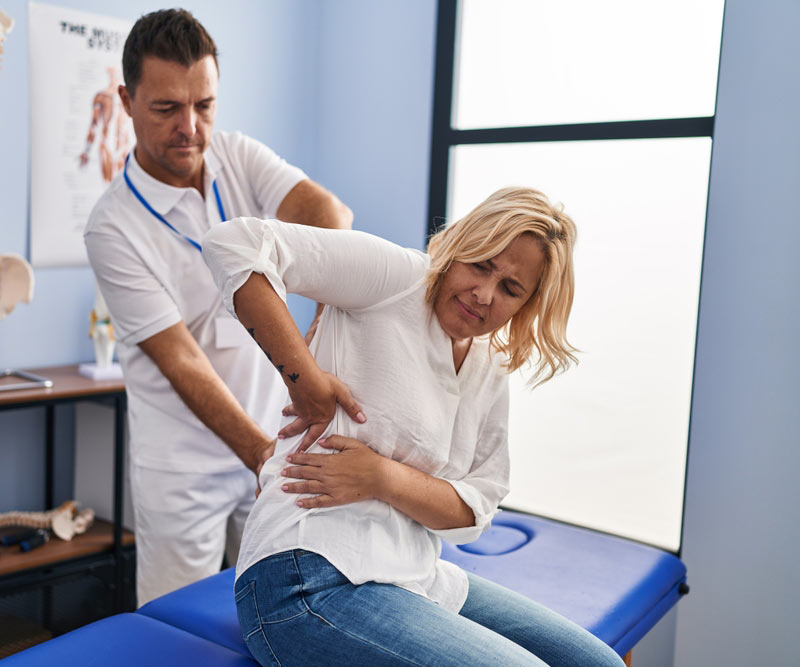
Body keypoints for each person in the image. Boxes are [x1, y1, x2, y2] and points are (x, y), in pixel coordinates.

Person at [202, 187, 625, 666]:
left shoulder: (487, 366)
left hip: (416, 575)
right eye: (481, 264)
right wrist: (304, 378)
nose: (484, 295)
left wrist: (382, 478)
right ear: (461, 244)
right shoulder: (397, 277)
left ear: (526, 305)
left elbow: (473, 511)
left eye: (510, 289)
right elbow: (234, 243)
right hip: (305, 576)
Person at [84, 8, 356, 606]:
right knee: (174, 629)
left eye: (204, 106)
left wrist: (313, 319)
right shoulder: (113, 227)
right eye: (166, 109)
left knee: (284, 610)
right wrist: (260, 453)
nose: (190, 127)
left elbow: (331, 219)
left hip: (274, 441)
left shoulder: (236, 157)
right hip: (184, 470)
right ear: (127, 100)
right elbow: (181, 361)